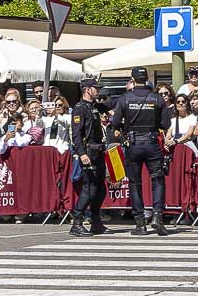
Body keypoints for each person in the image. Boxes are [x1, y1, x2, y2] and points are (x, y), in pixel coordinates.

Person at [110, 66, 173, 236]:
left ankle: (140, 223)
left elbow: (115, 122)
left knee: (135, 183)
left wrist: (126, 126)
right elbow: (165, 124)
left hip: (133, 142)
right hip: (152, 142)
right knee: (158, 180)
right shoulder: (157, 98)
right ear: (146, 78)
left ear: (132, 79)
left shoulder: (124, 99)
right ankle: (158, 217)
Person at [68, 79, 111, 236]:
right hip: (88, 151)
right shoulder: (79, 108)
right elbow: (76, 134)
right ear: (87, 90)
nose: (98, 91)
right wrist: (82, 153)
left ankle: (96, 222)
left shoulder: (93, 106)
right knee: (89, 188)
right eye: (95, 88)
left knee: (100, 189)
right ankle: (77, 222)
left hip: (98, 150)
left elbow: (111, 105)